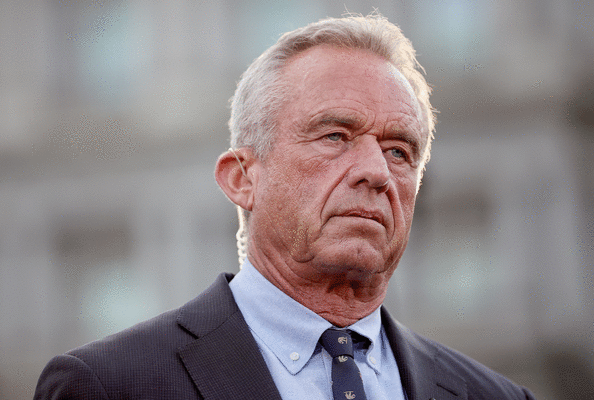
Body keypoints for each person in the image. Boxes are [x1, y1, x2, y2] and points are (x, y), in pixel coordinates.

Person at [34, 13, 536, 400]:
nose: (377, 172)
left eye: (399, 151)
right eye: (335, 136)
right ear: (242, 179)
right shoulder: (108, 385)